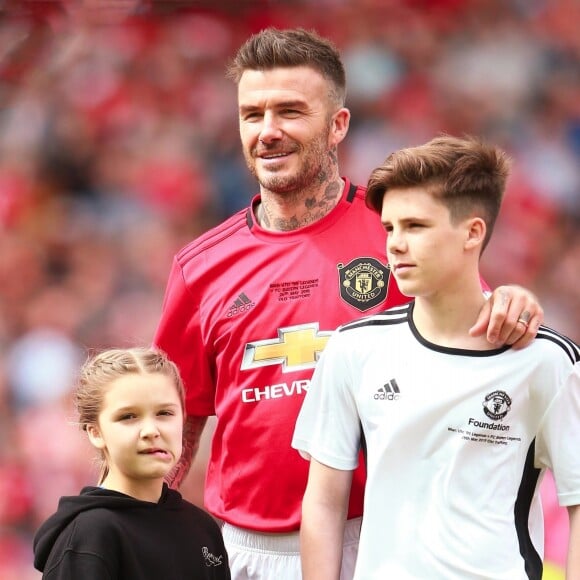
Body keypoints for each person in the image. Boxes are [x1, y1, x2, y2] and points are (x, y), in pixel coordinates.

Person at [153, 28, 544, 580]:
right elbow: (177, 417)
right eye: (252, 114)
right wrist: (142, 520)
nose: (268, 132)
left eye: (290, 111)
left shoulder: (393, 235)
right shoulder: (199, 266)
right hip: (242, 548)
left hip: (382, 539)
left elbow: (476, 326)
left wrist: (510, 300)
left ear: (338, 125)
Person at [292, 135, 580, 579]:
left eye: (416, 226)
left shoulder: (547, 361)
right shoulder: (354, 350)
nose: (395, 245)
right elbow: (324, 503)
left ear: (472, 232)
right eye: (390, 228)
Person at [33, 347, 230, 580]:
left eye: (164, 413)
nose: (151, 430)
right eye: (128, 416)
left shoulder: (202, 529)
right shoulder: (90, 535)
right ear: (96, 432)